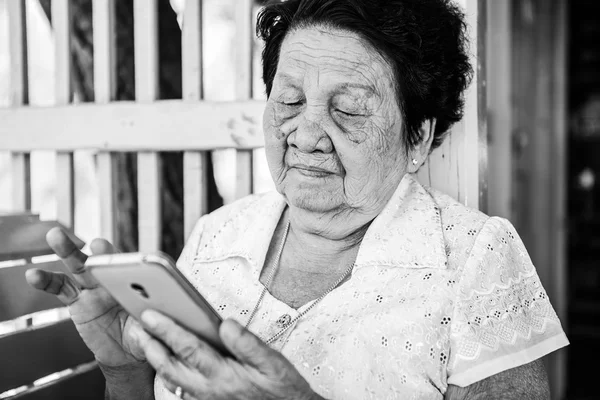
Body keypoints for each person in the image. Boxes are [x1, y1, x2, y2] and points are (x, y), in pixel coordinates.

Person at [26, 0, 568, 399]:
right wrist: (125, 372)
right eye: (288, 99)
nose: (305, 133)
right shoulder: (217, 235)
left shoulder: (474, 256)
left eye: (350, 108)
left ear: (418, 138)